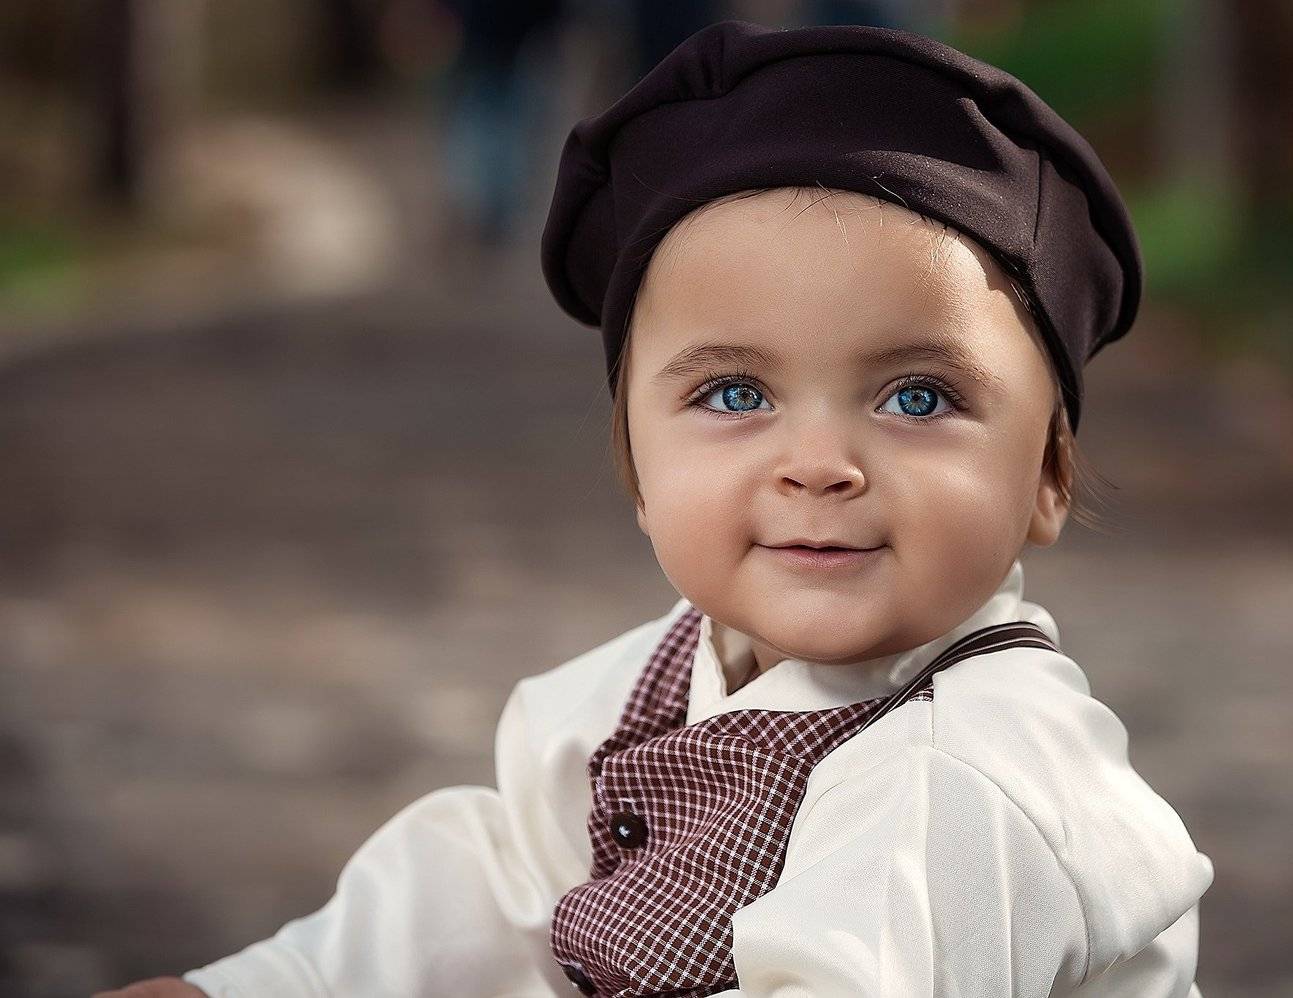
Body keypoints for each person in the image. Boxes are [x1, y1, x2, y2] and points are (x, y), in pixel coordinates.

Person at [98, 20, 1214, 997]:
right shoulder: (632, 697)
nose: (818, 464)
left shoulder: (973, 780)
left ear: (1048, 476)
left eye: (917, 397)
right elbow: (500, 888)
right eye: (735, 395)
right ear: (635, 465)